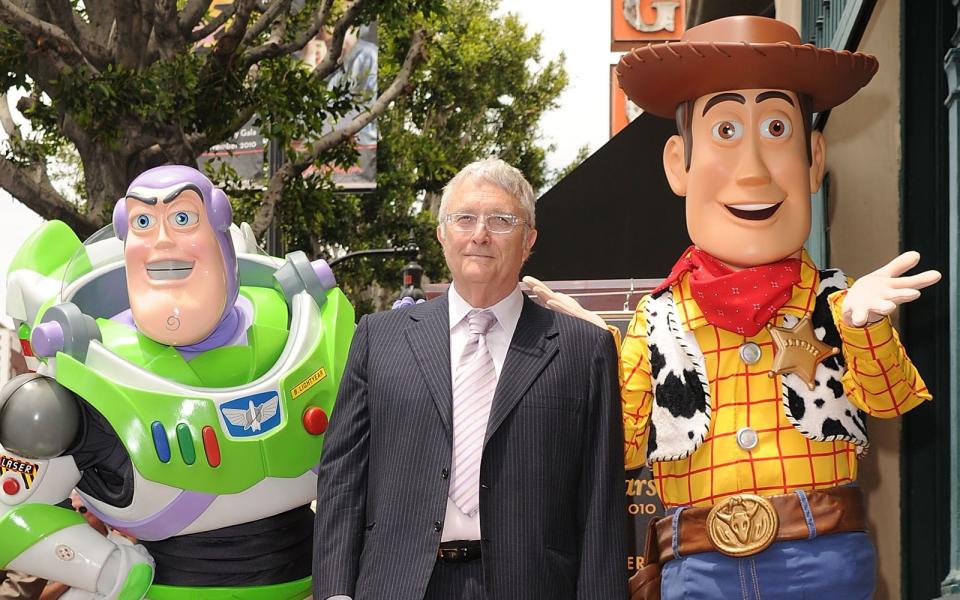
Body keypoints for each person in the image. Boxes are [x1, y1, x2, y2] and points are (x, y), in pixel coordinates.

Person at [526, 15, 940, 600]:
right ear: (678, 164)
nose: (753, 169)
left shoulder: (837, 301)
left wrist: (862, 326)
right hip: (699, 569)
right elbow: (617, 449)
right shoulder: (657, 318)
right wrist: (593, 354)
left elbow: (892, 400)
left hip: (820, 560)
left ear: (814, 158)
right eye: (724, 131)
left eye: (776, 128)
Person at [0, 165, 354, 599]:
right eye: (144, 223)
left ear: (220, 226)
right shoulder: (84, 375)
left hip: (315, 582)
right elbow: (11, 514)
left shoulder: (295, 325)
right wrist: (108, 569)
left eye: (182, 218)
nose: (163, 241)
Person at [313, 158, 628, 600]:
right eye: (464, 218)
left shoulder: (583, 350)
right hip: (396, 584)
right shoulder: (378, 339)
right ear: (442, 234)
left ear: (529, 239)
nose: (480, 234)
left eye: (501, 220)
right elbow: (343, 479)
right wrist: (335, 592)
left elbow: (602, 505)